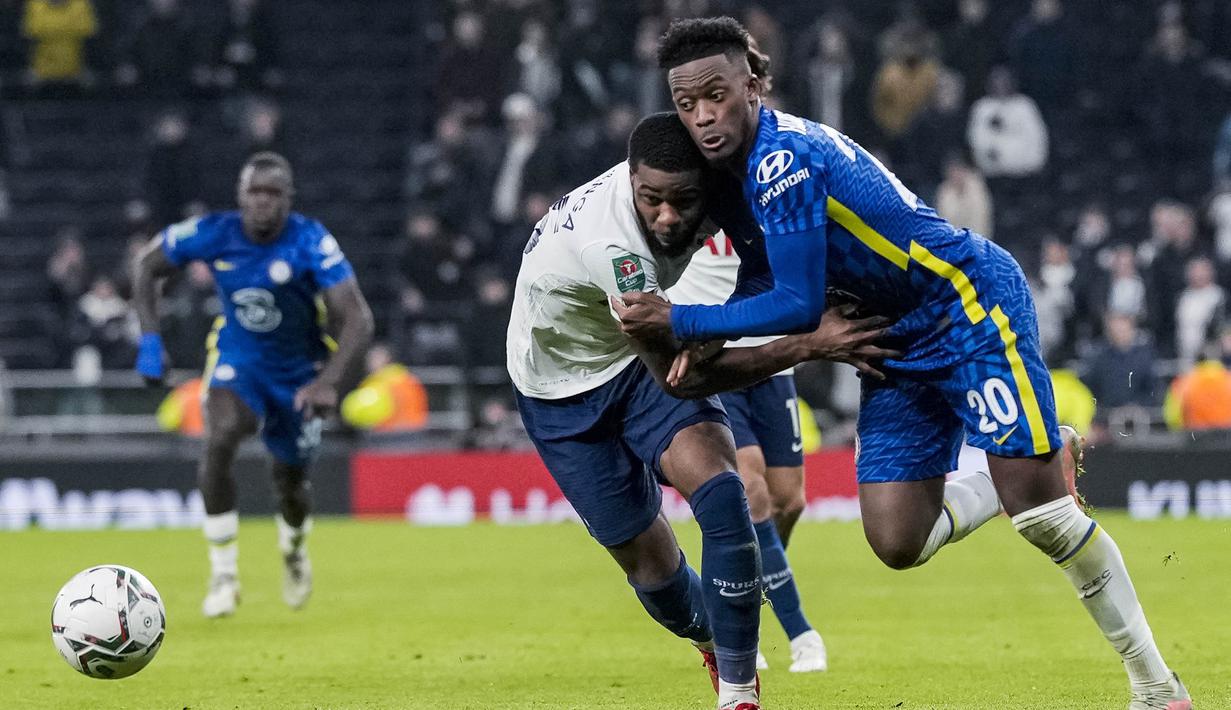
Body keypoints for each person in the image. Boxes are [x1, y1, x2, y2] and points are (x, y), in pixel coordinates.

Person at [614, 17, 1191, 709]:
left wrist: (681, 320)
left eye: (717, 94)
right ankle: (1035, 461)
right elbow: (770, 279)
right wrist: (711, 335)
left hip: (963, 303)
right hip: (886, 337)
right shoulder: (731, 178)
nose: (704, 116)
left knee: (1043, 518)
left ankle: (1156, 686)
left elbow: (798, 306)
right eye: (687, 104)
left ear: (753, 83)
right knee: (895, 541)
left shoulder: (780, 159)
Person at [507, 113, 890, 710]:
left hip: (633, 368)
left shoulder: (720, 192)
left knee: (724, 493)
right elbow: (683, 381)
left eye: (682, 201)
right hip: (561, 390)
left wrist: (727, 321)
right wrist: (812, 344)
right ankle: (713, 638)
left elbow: (763, 262)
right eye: (650, 200)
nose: (666, 216)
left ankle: (739, 692)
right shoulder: (615, 250)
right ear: (630, 182)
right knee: (653, 571)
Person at [131, 152, 374, 618]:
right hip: (238, 359)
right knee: (220, 437)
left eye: (273, 193)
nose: (262, 202)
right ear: (240, 197)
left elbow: (358, 318)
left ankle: (294, 549)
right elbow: (147, 265)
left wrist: (328, 382)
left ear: (288, 199)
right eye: (254, 193)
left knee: (290, 484)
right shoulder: (214, 232)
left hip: (299, 372)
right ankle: (223, 574)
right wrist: (149, 339)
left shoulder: (311, 240)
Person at [668, 229, 826, 674]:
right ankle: (800, 634)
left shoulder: (762, 192)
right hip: (718, 360)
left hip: (774, 359)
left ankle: (748, 586)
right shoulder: (692, 195)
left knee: (789, 500)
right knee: (750, 490)